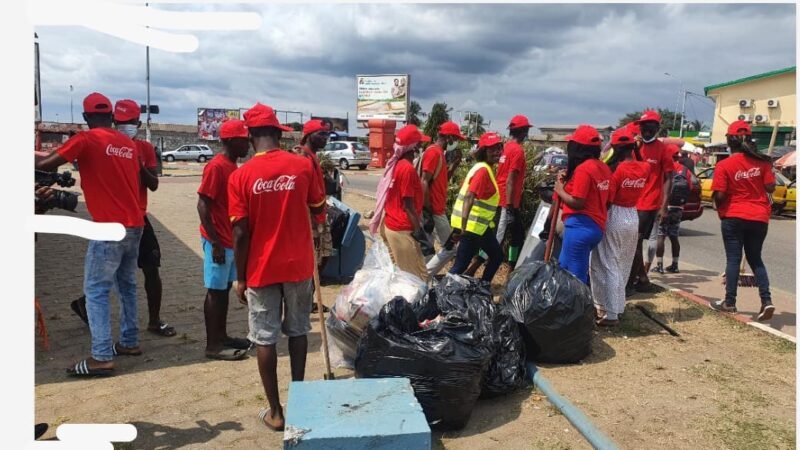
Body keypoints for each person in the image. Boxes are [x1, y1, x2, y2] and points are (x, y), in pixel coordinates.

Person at [229, 103, 326, 431]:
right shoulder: (302, 166)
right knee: (298, 331)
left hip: (261, 269)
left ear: (250, 137)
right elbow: (319, 207)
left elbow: (240, 232)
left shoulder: (240, 176)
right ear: (277, 134)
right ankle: (299, 403)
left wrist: (240, 277)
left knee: (265, 338)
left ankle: (276, 412)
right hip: (298, 264)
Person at [36, 92, 144, 376]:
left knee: (96, 291)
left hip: (108, 227)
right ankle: (130, 342)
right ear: (111, 116)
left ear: (85, 117)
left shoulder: (85, 139)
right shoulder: (127, 144)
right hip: (135, 224)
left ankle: (101, 356)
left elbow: (45, 164)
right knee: (127, 286)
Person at [709, 120, 776, 322]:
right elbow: (770, 188)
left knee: (733, 259)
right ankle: (766, 300)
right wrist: (766, 169)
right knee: (756, 259)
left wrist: (717, 204)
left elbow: (720, 195)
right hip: (759, 217)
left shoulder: (724, 165)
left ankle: (729, 302)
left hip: (734, 215)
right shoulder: (763, 162)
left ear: (730, 140)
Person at [197, 119, 252, 361]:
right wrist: (215, 243)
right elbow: (202, 205)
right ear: (230, 141)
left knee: (223, 290)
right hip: (218, 241)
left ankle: (222, 336)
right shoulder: (216, 167)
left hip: (229, 241)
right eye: (243, 140)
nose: (248, 144)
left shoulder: (232, 166)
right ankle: (213, 345)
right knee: (215, 292)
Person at [589, 126, 649, 325]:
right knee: (622, 263)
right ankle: (615, 305)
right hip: (632, 215)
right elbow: (640, 161)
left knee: (607, 263)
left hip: (614, 215)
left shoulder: (616, 171)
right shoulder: (645, 168)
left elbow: (608, 199)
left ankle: (611, 313)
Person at [467, 115, 531, 275]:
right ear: (523, 132)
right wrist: (509, 207)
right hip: (506, 202)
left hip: (503, 198)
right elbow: (510, 179)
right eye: (526, 130)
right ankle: (472, 270)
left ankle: (511, 269)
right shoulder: (517, 151)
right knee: (497, 238)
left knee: (517, 235)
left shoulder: (505, 147)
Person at [369, 125, 430, 282]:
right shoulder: (407, 169)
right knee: (417, 279)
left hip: (389, 225)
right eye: (419, 143)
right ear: (413, 147)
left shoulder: (397, 164)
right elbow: (408, 205)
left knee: (399, 276)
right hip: (402, 230)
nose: (421, 147)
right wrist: (420, 234)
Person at [554, 125, 611, 285]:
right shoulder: (603, 168)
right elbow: (608, 201)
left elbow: (578, 203)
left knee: (575, 279)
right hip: (595, 227)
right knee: (563, 269)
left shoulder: (584, 169)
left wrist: (560, 190)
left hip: (579, 228)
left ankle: (580, 302)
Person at [628, 110, 674, 293]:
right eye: (643, 126)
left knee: (635, 240)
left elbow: (669, 178)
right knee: (633, 241)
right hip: (630, 201)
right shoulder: (633, 146)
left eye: (650, 126)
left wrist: (664, 206)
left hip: (648, 202)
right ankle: (641, 278)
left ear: (657, 128)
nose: (646, 129)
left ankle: (636, 280)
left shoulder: (663, 149)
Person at [449, 132, 504, 283]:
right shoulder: (483, 171)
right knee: (460, 266)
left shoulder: (484, 168)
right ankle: (440, 293)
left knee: (497, 256)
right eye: (492, 149)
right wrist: (463, 228)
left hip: (479, 228)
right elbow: (469, 196)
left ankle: (483, 287)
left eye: (499, 148)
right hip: (471, 228)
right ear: (483, 151)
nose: (497, 152)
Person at [294, 119, 333, 313]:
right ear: (309, 136)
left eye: (327, 134)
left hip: (319, 216)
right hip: (310, 219)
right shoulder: (302, 158)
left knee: (323, 257)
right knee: (313, 261)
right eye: (322, 134)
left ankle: (308, 300)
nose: (326, 138)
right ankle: (304, 302)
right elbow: (303, 195)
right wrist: (315, 226)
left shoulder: (312, 156)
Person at [422, 121, 466, 277]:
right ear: (449, 138)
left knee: (429, 250)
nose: (457, 142)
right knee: (451, 247)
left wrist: (455, 165)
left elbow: (441, 180)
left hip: (435, 209)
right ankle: (425, 276)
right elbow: (424, 181)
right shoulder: (434, 152)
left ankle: (425, 278)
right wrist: (428, 212)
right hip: (434, 210)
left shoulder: (439, 153)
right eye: (456, 139)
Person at [652, 145, 690, 274]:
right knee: (674, 237)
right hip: (678, 207)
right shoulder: (685, 170)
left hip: (664, 206)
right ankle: (675, 265)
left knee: (661, 236)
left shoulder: (664, 168)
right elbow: (689, 187)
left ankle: (659, 265)